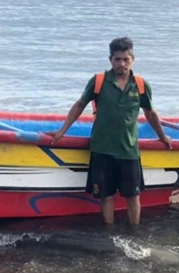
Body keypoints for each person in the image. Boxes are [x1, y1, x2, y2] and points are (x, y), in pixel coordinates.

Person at [47, 37, 172, 225]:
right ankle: (109, 231)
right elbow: (80, 105)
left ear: (133, 59)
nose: (121, 63)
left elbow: (150, 113)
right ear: (110, 60)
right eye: (117, 59)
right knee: (105, 196)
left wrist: (163, 137)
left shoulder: (140, 85)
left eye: (126, 59)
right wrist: (62, 131)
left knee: (132, 196)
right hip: (102, 149)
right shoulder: (98, 81)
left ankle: (134, 232)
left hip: (129, 150)